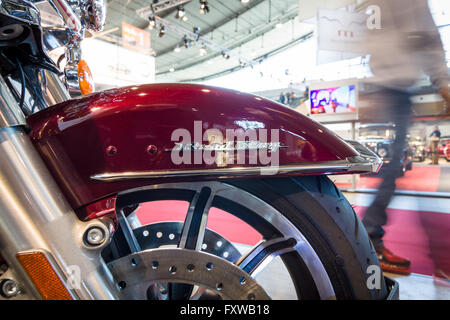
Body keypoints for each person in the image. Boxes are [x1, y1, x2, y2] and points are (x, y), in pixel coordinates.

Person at [360, 0, 450, 274]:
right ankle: (371, 238)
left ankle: (371, 236)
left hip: (387, 87)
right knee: (392, 172)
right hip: (394, 88)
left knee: (393, 171)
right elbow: (428, 39)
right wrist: (443, 83)